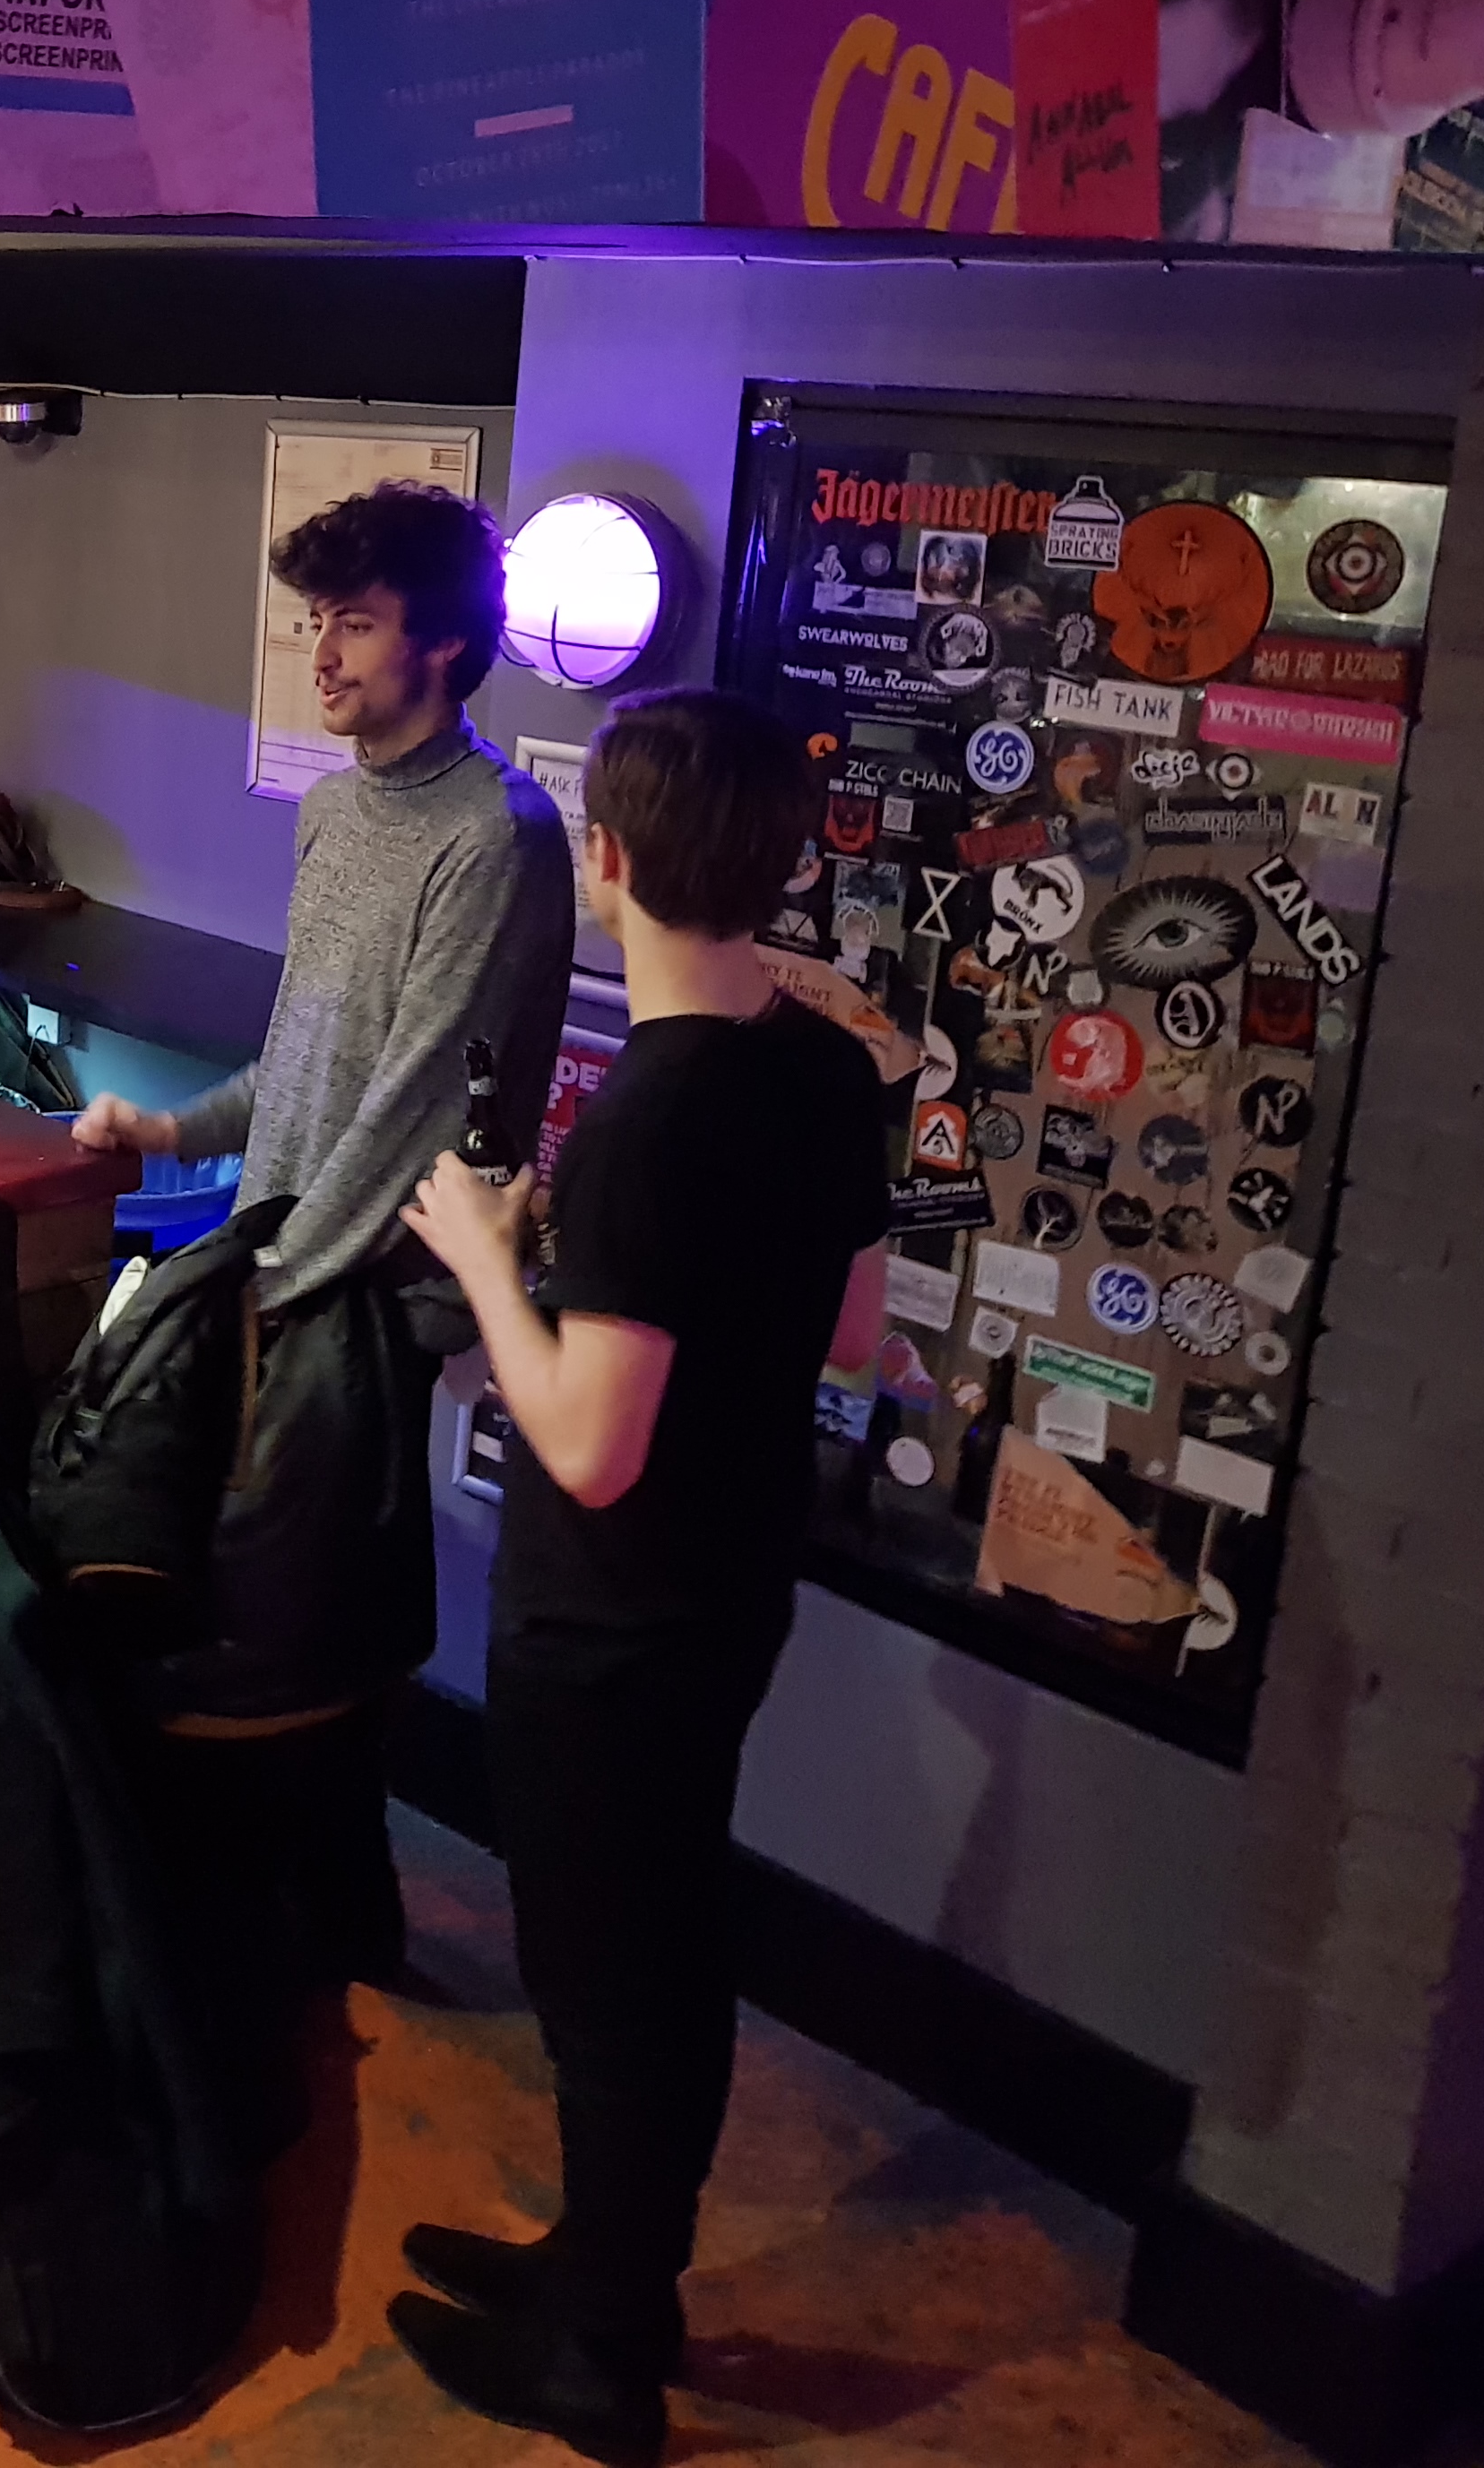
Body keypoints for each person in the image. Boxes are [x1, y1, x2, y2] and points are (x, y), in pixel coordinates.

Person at [393, 691, 893, 2464]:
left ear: (607, 859)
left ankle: (601, 2355)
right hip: (733, 1585)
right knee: (661, 1950)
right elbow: (854, 1332)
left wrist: (483, 1258)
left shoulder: (650, 1121)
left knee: (605, 1979)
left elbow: (589, 1445)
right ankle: (609, 2274)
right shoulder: (829, 1064)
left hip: (607, 1619)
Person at [70, 482, 574, 1980]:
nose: (321, 654)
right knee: (271, 1615)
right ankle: (291, 1933)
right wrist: (175, 1133)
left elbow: (420, 1104)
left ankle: (328, 1944)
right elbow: (308, 1051)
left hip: (360, 1292)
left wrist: (270, 1286)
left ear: (446, 642)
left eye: (353, 623)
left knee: (312, 1636)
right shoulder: (338, 806)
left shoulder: (499, 834)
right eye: (316, 622)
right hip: (279, 1270)